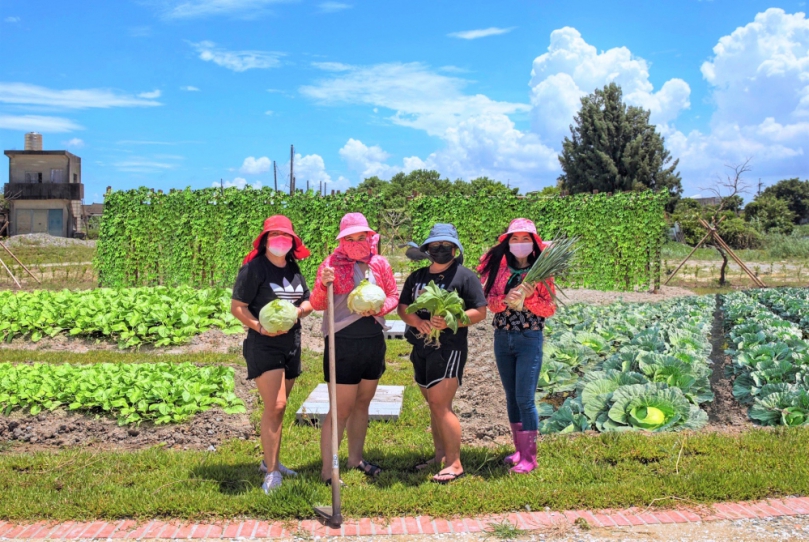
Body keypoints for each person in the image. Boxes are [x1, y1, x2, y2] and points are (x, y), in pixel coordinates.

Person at [309, 212, 399, 485]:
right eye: (351, 238)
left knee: (363, 404)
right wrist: (325, 284)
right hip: (342, 342)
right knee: (341, 408)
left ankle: (355, 458)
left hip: (372, 340)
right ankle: (328, 470)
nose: (358, 241)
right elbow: (316, 303)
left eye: (363, 236)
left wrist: (381, 308)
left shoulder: (379, 264)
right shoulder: (330, 265)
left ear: (371, 238)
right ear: (342, 240)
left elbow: (394, 294)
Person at [397, 224, 487, 484]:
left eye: (446, 246)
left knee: (440, 404)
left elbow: (480, 312)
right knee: (433, 405)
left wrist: (450, 322)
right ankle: (439, 457)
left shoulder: (465, 277)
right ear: (427, 249)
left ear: (455, 249)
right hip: (420, 346)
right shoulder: (417, 277)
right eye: (435, 246)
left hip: (449, 348)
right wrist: (416, 322)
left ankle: (455, 463)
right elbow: (404, 307)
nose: (440, 250)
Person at [231, 215, 314, 493]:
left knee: (279, 409)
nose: (281, 241)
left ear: (292, 242)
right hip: (263, 343)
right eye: (275, 235)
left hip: (291, 342)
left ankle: (270, 462)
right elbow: (238, 307)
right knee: (276, 406)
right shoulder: (254, 269)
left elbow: (306, 299)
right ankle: (272, 473)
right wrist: (259, 327)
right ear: (265, 240)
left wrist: (300, 310)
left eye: (286, 236)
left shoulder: (293, 268)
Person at [478, 218, 556, 474]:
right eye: (515, 239)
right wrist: (505, 300)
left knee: (525, 398)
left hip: (529, 339)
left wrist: (530, 297)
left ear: (533, 242)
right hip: (503, 338)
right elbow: (490, 303)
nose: (520, 243)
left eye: (525, 239)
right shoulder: (500, 271)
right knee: (512, 398)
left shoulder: (543, 273)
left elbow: (549, 309)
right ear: (508, 242)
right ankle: (519, 451)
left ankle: (530, 458)